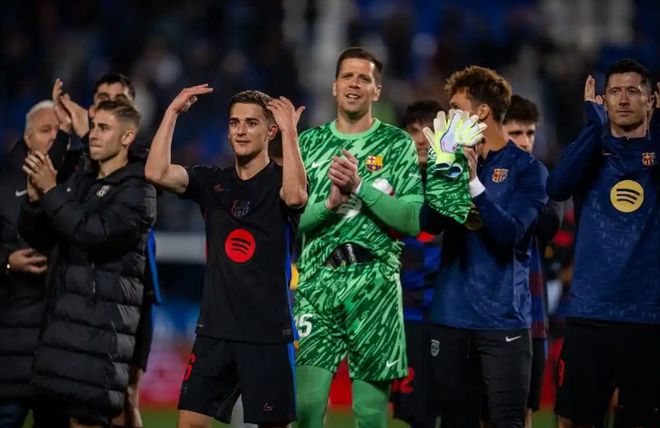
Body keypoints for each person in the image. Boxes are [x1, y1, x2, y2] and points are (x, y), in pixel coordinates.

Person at [145, 85, 307, 428]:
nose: (241, 131)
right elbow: (156, 172)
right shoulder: (212, 182)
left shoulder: (282, 182)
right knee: (189, 425)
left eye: (251, 123)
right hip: (216, 331)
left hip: (267, 333)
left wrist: (291, 133)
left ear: (270, 131)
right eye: (235, 123)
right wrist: (172, 112)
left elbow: (296, 197)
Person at [293, 47, 424, 428]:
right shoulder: (308, 144)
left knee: (369, 416)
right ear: (334, 86)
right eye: (347, 76)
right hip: (316, 284)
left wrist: (360, 188)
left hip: (375, 285)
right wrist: (330, 205)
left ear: (376, 90)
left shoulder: (397, 144)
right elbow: (289, 222)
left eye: (364, 78)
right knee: (306, 409)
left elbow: (413, 221)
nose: (354, 84)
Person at [18, 99, 156, 428]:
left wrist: (51, 191)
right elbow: (42, 238)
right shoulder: (82, 181)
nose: (93, 134)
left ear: (127, 137)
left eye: (104, 128)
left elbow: (93, 233)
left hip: (97, 345)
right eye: (93, 126)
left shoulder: (138, 190)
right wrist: (36, 203)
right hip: (58, 340)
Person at [423, 66, 548, 427]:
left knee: (506, 422)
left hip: (503, 320)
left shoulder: (529, 171)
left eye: (455, 108)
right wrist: (443, 167)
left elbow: (510, 234)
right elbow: (429, 224)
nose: (448, 117)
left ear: (481, 112)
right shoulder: (449, 159)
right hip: (451, 317)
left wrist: (474, 183)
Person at [547, 58, 660, 428]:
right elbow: (556, 187)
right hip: (590, 312)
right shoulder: (590, 151)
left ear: (651, 100)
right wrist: (594, 129)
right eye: (614, 92)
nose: (623, 100)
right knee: (575, 421)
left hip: (648, 316)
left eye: (633, 91)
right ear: (603, 100)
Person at [53, 73, 159, 428]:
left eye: (120, 99)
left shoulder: (143, 165)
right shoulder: (83, 162)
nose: (110, 101)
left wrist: (87, 134)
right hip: (84, 291)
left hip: (134, 292)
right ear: (91, 106)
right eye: (102, 97)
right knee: (79, 398)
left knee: (125, 394)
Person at [0, 101, 69, 428]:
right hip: (9, 341)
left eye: (58, 130)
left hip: (58, 345)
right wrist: (6, 263)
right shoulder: (3, 185)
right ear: (28, 139)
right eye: (45, 130)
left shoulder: (75, 181)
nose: (53, 136)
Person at [502, 95, 563, 427]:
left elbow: (550, 225)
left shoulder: (543, 179)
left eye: (529, 133)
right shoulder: (479, 179)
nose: (525, 142)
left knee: (523, 410)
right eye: (515, 133)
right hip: (489, 311)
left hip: (532, 311)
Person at [390, 100, 443, 428]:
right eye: (413, 131)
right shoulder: (389, 186)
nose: (422, 139)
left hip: (450, 312)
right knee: (417, 413)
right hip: (407, 314)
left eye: (429, 131)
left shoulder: (456, 182)